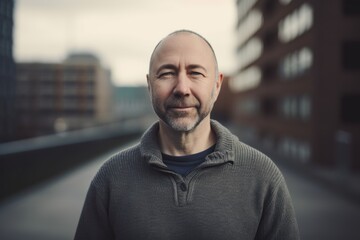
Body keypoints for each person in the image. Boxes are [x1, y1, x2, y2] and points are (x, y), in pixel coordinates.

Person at [74, 30, 300, 240]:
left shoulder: (263, 176)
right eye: (167, 73)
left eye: (196, 73)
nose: (182, 88)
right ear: (150, 85)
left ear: (217, 85)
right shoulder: (111, 178)